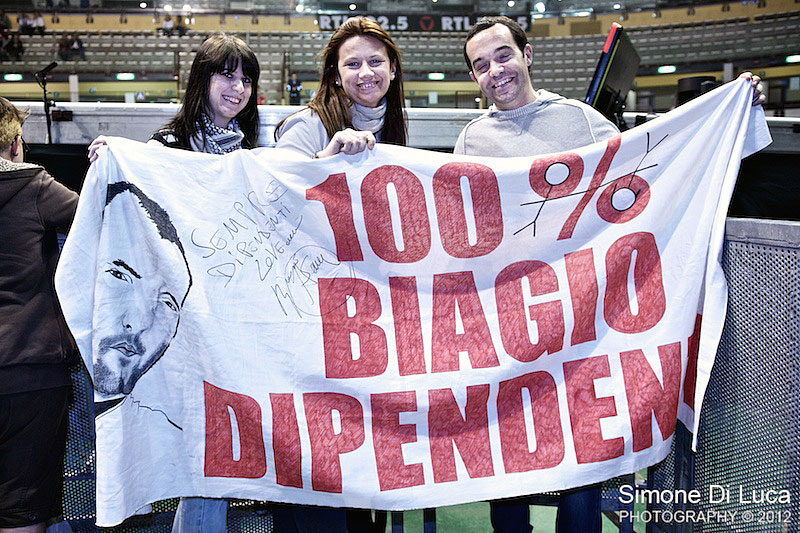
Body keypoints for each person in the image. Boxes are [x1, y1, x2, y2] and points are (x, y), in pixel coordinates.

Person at [457, 15, 765, 533]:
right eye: (481, 65)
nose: (496, 70)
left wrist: (731, 109)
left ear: (527, 55)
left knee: (581, 449)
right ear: (474, 77)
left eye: (503, 55)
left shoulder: (580, 121)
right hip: (510, 323)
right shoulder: (471, 139)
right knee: (506, 445)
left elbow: (646, 171)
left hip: (580, 317)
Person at [89, 31, 260, 532]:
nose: (237, 88)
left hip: (232, 325)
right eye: (226, 75)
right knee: (197, 450)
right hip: (181, 329)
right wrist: (112, 158)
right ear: (201, 79)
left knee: (215, 454)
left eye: (246, 79)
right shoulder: (164, 147)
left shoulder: (250, 153)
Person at [0, 97, 79, 532]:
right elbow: (104, 212)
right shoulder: (32, 185)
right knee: (22, 514)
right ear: (15, 143)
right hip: (27, 374)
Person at [275, 16, 407, 159]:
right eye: (353, 64)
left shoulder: (396, 122)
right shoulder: (306, 125)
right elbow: (278, 172)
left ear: (392, 69)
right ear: (336, 75)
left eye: (375, 61)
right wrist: (325, 158)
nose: (366, 73)